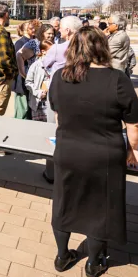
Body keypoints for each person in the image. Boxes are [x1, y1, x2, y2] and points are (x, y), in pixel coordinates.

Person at [48, 26, 138, 277]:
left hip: (68, 149)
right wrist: (132, 151)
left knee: (63, 202)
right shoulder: (117, 79)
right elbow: (134, 123)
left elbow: (58, 116)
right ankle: (93, 262)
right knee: (100, 206)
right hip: (104, 154)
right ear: (103, 47)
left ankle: (62, 256)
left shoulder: (60, 76)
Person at [40, 15, 83, 184]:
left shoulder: (57, 49)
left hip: (58, 96)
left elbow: (44, 64)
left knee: (55, 133)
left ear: (66, 30)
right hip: (80, 96)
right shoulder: (87, 50)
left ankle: (52, 173)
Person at [12, 20, 40, 120]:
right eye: (31, 28)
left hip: (32, 80)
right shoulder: (20, 43)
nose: (34, 30)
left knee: (30, 110)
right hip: (22, 80)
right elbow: (18, 63)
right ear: (24, 30)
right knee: (22, 110)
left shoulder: (35, 41)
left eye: (34, 28)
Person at [25, 40, 55, 123]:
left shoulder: (55, 65)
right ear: (43, 51)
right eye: (51, 51)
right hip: (38, 103)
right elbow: (28, 82)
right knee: (39, 127)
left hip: (50, 102)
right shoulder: (35, 65)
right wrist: (38, 92)